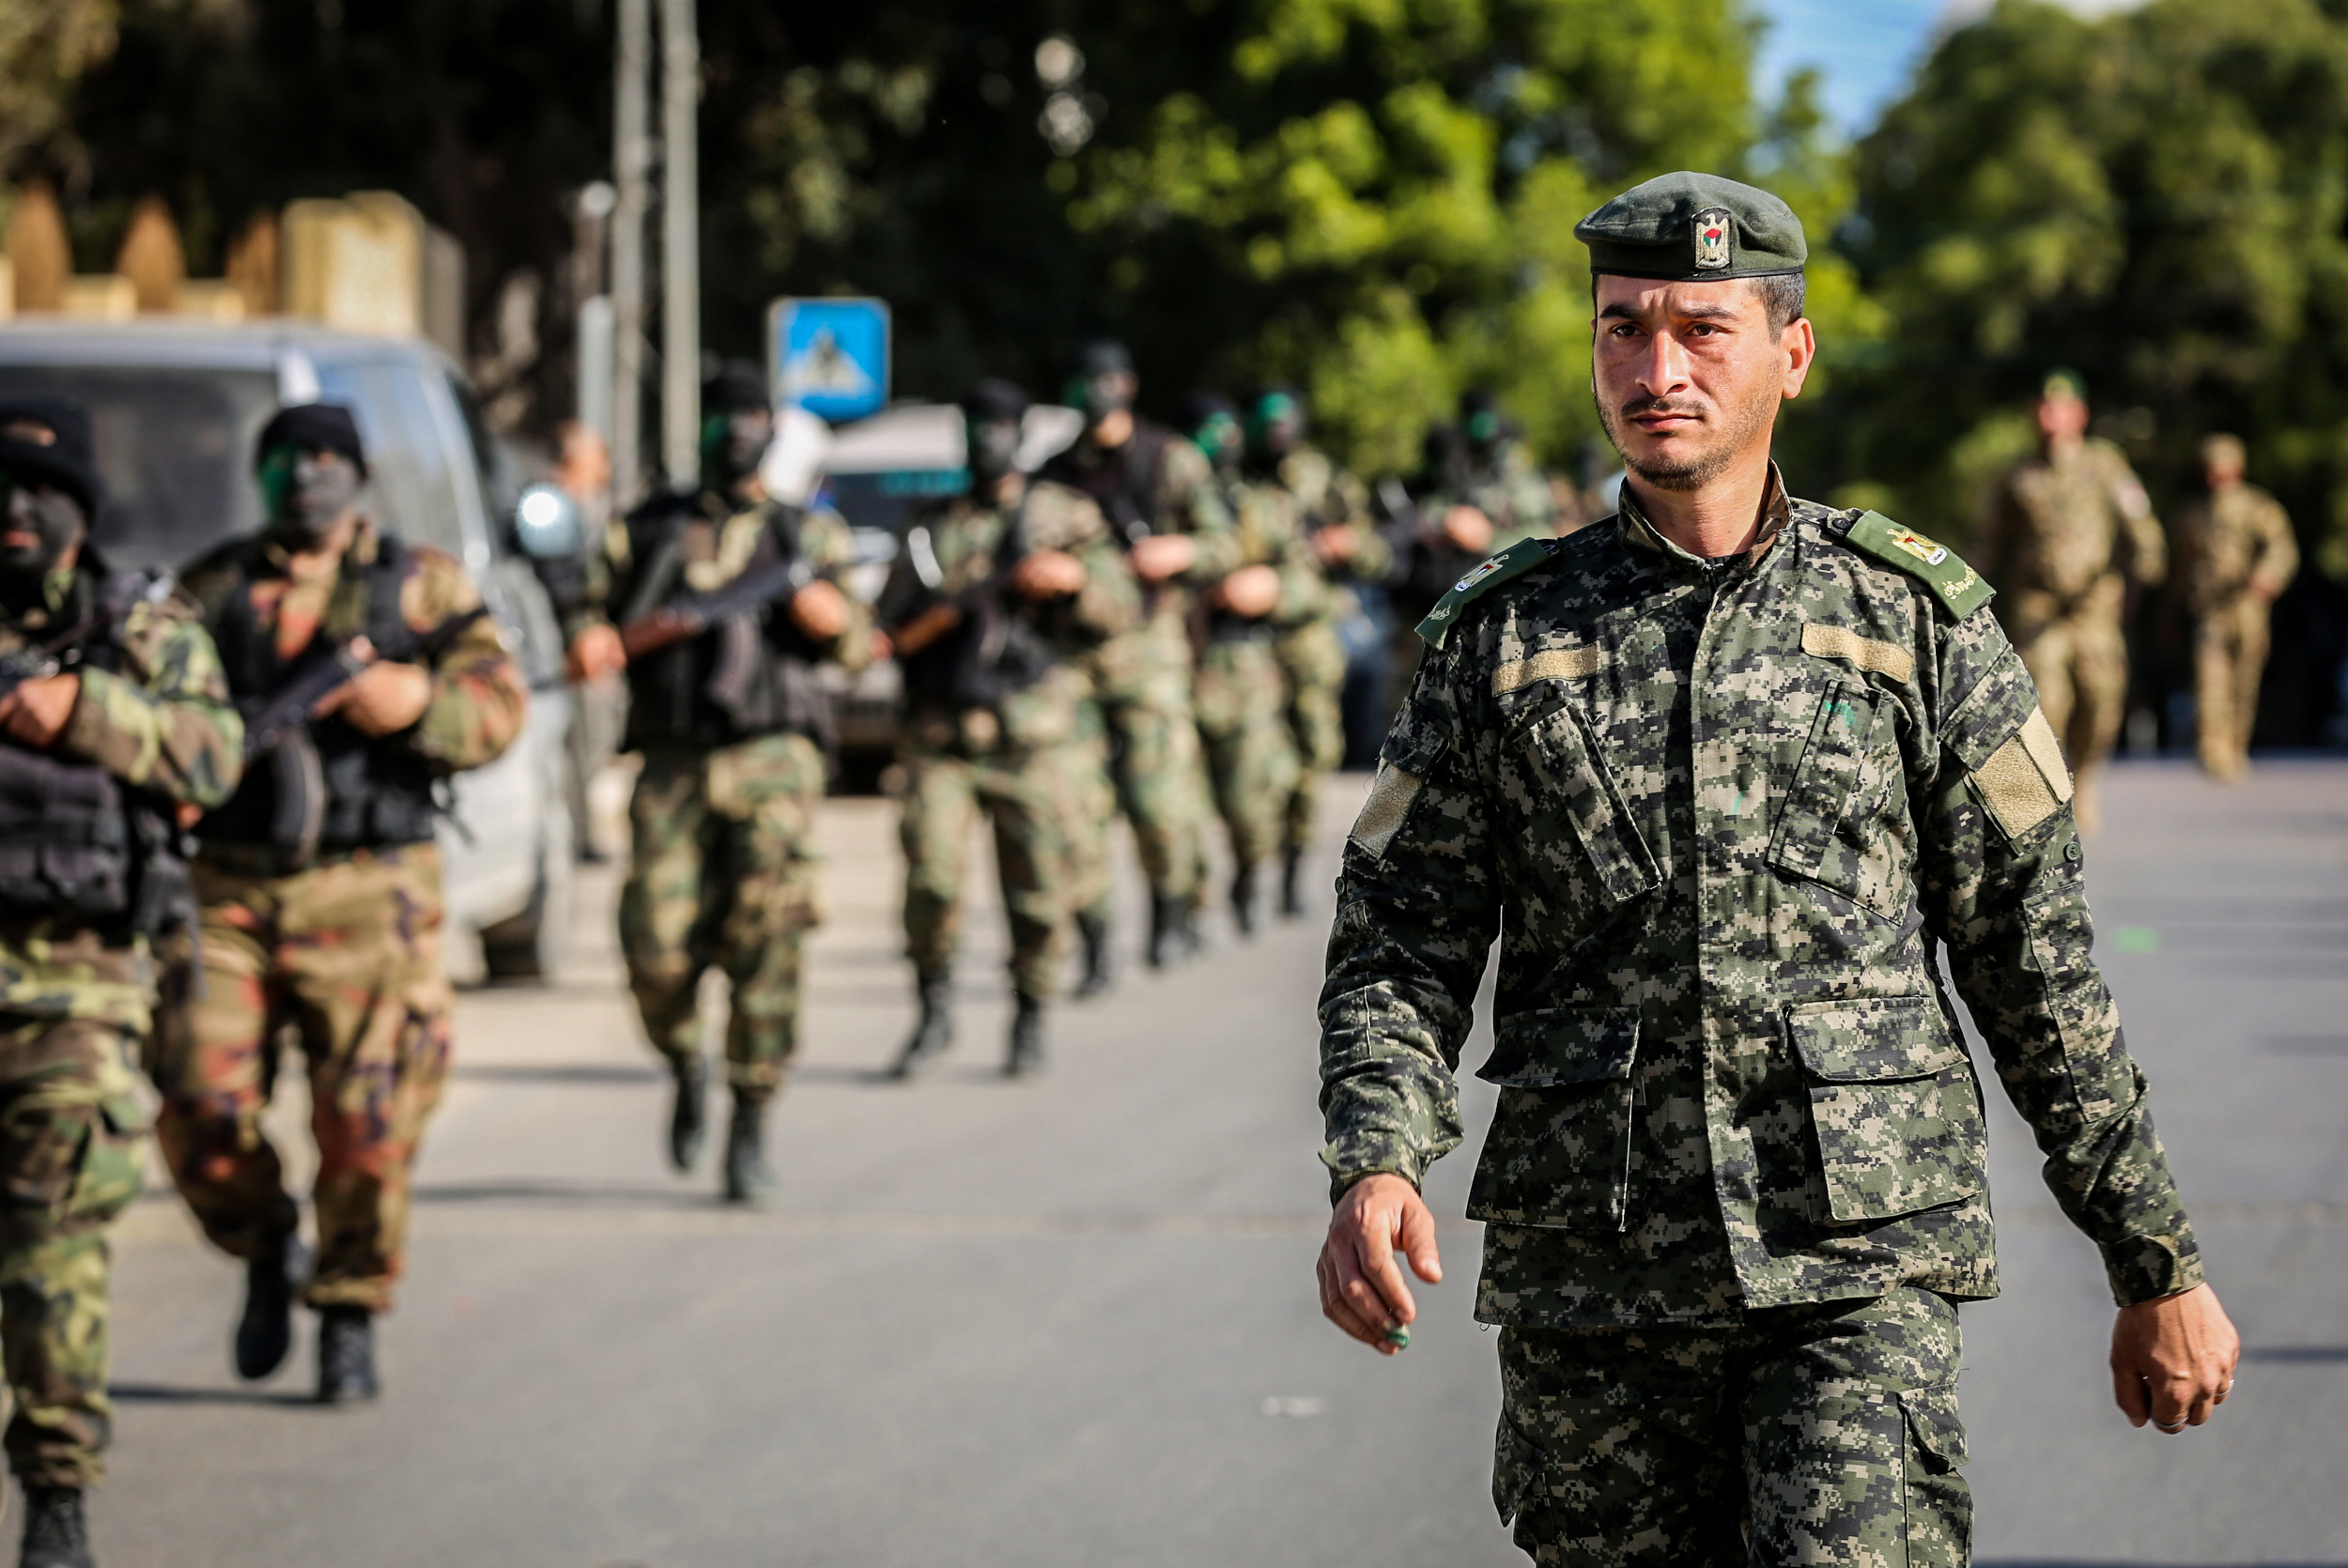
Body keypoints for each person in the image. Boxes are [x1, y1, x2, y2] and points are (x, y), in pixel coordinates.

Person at [1315, 171, 2237, 1565]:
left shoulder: (1912, 623)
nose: (1656, 367)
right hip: (1597, 1283)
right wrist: (1376, 1155)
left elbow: (2028, 955)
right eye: (1624, 327)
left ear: (1790, 353)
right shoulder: (1500, 637)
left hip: (1856, 1265)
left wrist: (2153, 1255)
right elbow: (1402, 936)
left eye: (1702, 328)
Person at [157, 402, 526, 1405]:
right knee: (196, 1098)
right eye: (286, 460)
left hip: (373, 889)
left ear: (357, 474)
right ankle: (266, 1244)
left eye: (325, 459)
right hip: (228, 886)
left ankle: (350, 1302)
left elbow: (499, 703)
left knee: (369, 1121)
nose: (307, 477)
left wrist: (422, 705)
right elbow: (150, 707)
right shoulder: (212, 585)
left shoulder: (421, 584)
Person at [0, 405, 239, 1568]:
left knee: (52, 1244)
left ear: (80, 508)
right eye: (1, 489)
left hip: (75, 981)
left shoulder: (139, 624)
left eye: (41, 491)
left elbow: (215, 752)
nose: (15, 514)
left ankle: (55, 1491)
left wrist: (86, 713)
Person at [564, 363, 868, 1201]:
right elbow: (593, 609)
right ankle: (684, 1058)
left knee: (768, 943)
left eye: (752, 415)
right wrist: (592, 638)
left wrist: (827, 618)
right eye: (723, 415)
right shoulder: (650, 529)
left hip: (775, 761)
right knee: (655, 947)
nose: (737, 430)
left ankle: (751, 1116)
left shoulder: (809, 535)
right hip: (672, 763)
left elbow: (856, 644)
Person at [880, 379, 1138, 1077]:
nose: (985, 439)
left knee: (1036, 889)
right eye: (974, 426)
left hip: (1031, 733)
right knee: (931, 878)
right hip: (941, 734)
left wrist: (1074, 582)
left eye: (998, 426)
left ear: (1019, 435)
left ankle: (1030, 1012)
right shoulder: (934, 525)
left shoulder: (1065, 516)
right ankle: (933, 1008)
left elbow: (1121, 604)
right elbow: (892, 622)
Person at [1039, 339, 1237, 972]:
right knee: (1078, 808)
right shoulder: (1054, 472)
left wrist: (1179, 552)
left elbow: (1224, 544)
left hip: (1150, 651)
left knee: (1157, 803)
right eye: (1081, 381)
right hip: (1071, 658)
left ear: (1126, 384)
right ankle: (1095, 938)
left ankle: (1169, 909)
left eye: (1104, 380)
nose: (1093, 393)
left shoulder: (1169, 459)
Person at [1977, 370, 2166, 832]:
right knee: (2042, 699)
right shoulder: (2018, 475)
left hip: (2095, 607)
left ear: (2079, 415)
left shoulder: (2105, 465)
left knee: (2101, 700)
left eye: (2060, 406)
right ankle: (2040, 801)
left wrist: (2147, 560)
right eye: (2043, 406)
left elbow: (2138, 522)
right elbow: (1988, 541)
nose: (2050, 416)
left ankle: (2087, 776)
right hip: (2037, 606)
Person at [1243, 390, 1387, 916]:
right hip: (1249, 641)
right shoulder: (1240, 480)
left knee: (1310, 756)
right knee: (1256, 762)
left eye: (1284, 420)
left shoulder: (1327, 481)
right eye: (1266, 421)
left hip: (1309, 639)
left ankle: (1291, 868)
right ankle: (1250, 867)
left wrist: (1346, 544)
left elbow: (1376, 552)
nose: (1275, 430)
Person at [1185, 393, 1302, 933]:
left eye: (1229, 430)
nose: (1222, 442)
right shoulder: (1163, 501)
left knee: (1249, 796)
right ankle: (1186, 900)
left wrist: (1272, 587)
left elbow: (1307, 578)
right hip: (1175, 660)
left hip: (1245, 662)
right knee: (1176, 798)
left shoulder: (1263, 503)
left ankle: (1251, 872)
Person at [2170, 434, 2296, 780]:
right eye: (2211, 467)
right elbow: (2180, 568)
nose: (2217, 473)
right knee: (2209, 680)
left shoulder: (2258, 506)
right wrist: (2170, 612)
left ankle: (2236, 746)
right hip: (2208, 609)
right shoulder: (2192, 513)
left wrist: (2268, 575)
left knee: (2244, 681)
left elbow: (2282, 548)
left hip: (2247, 608)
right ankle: (2214, 749)